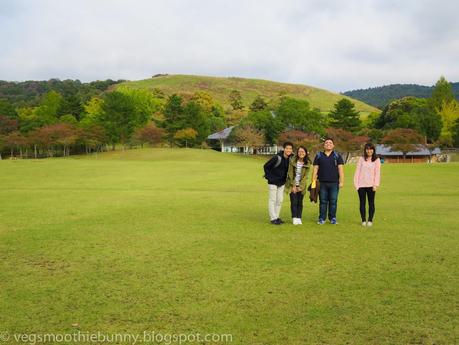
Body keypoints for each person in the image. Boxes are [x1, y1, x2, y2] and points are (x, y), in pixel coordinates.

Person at [312, 138, 344, 225]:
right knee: (323, 201)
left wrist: (341, 181)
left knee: (333, 201)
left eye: (330, 143)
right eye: (326, 143)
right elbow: (315, 169)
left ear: (333, 145)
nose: (328, 144)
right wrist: (313, 181)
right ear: (324, 145)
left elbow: (340, 169)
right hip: (322, 183)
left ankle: (332, 218)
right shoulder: (319, 155)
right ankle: (322, 218)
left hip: (334, 183)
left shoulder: (337, 156)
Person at [263, 142, 293, 225]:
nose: (288, 150)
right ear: (283, 149)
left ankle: (276, 217)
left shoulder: (290, 159)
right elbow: (266, 166)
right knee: (272, 200)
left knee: (279, 200)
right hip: (273, 182)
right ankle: (273, 218)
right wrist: (270, 178)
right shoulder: (277, 157)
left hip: (282, 182)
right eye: (287, 148)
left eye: (290, 148)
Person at [353, 143, 381, 227]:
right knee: (362, 202)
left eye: (371, 149)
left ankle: (370, 220)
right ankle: (363, 220)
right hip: (361, 185)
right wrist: (356, 184)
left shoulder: (376, 160)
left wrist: (375, 185)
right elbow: (357, 171)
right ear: (365, 150)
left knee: (371, 203)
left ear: (373, 150)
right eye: (367, 149)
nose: (369, 151)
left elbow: (377, 173)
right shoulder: (361, 159)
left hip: (371, 185)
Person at [285, 146, 310, 225]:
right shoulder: (292, 161)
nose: (301, 153)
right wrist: (293, 185)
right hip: (293, 184)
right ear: (297, 152)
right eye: (299, 151)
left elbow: (305, 176)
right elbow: (290, 174)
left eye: (303, 152)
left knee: (300, 202)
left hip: (302, 186)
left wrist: (300, 187)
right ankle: (294, 218)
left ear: (305, 153)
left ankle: (299, 217)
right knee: (294, 201)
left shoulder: (308, 163)